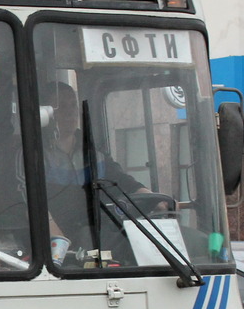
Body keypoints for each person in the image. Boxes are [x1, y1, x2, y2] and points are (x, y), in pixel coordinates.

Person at [43, 82, 164, 255]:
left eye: (73, 105)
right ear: (46, 114)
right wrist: (61, 245)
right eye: (61, 107)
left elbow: (121, 181)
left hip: (98, 238)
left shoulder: (93, 152)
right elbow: (27, 203)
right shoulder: (36, 155)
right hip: (59, 246)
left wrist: (152, 198)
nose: (70, 112)